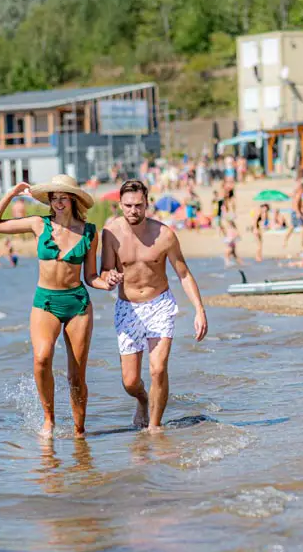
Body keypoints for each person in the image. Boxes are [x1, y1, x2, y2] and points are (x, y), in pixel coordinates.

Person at [0, 174, 122, 439]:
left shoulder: (90, 232)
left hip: (77, 304)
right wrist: (11, 194)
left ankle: (80, 431)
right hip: (45, 302)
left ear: (73, 199)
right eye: (54, 198)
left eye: (63, 197)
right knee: (41, 358)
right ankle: (49, 420)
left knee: (77, 375)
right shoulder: (38, 224)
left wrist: (109, 283)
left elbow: (91, 276)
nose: (58, 203)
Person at [101, 179, 207, 432]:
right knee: (130, 382)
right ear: (120, 205)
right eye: (128, 205)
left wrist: (199, 310)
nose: (133, 211)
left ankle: (155, 427)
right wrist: (109, 277)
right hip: (128, 307)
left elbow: (184, 274)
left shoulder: (165, 235)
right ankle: (142, 399)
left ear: (147, 203)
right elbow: (105, 269)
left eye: (138, 205)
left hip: (159, 304)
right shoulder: (110, 233)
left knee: (158, 369)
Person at [284, 181, 303, 249]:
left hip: (293, 212)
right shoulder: (299, 194)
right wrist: (298, 213)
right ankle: (302, 242)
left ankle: (285, 240)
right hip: (296, 212)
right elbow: (296, 204)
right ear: (302, 189)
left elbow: (291, 197)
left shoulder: (295, 194)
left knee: (292, 227)